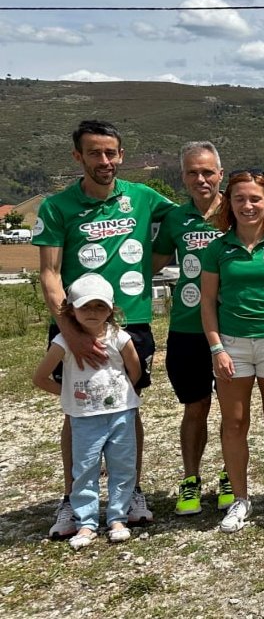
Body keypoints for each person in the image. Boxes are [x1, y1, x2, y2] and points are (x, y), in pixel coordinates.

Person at [33, 120, 176, 538]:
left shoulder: (144, 197)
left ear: (122, 156)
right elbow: (49, 273)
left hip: (130, 323)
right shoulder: (57, 207)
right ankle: (71, 498)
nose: (104, 161)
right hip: (76, 324)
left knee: (128, 408)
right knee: (76, 411)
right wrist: (70, 329)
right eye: (94, 153)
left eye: (111, 152)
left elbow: (190, 219)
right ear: (78, 157)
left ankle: (129, 492)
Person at [201, 169, 264, 533]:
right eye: (240, 199)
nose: (248, 205)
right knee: (233, 423)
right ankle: (241, 499)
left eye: (255, 199)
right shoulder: (217, 248)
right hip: (232, 345)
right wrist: (217, 348)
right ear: (229, 203)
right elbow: (208, 303)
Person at [32, 274, 141, 549]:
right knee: (84, 470)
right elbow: (40, 377)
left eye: (100, 307)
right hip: (83, 418)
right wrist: (67, 394)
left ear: (111, 309)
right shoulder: (63, 342)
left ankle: (118, 518)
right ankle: (86, 523)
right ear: (71, 309)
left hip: (121, 414)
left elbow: (135, 369)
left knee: (123, 467)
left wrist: (123, 392)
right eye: (85, 307)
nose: (93, 313)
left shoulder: (119, 337)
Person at [153, 142, 233, 516]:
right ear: (182, 177)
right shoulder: (174, 218)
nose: (200, 179)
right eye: (192, 173)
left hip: (233, 326)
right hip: (186, 327)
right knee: (195, 406)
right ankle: (190, 479)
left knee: (233, 409)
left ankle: (230, 474)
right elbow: (146, 268)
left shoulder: (238, 210)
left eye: (207, 172)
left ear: (221, 173)